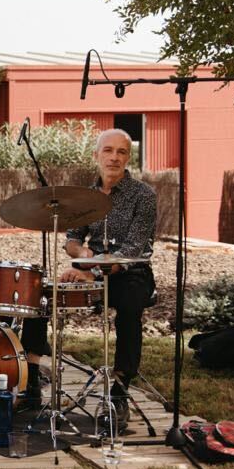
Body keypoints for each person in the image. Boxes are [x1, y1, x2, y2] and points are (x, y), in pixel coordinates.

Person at [58, 128, 156, 427]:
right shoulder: (85, 197)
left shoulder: (143, 196)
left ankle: (120, 392)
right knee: (39, 296)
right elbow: (72, 238)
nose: (114, 157)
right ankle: (34, 381)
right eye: (108, 150)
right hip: (90, 272)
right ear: (96, 156)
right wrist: (82, 256)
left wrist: (94, 274)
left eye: (121, 152)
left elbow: (131, 250)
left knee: (129, 310)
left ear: (128, 158)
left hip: (131, 273)